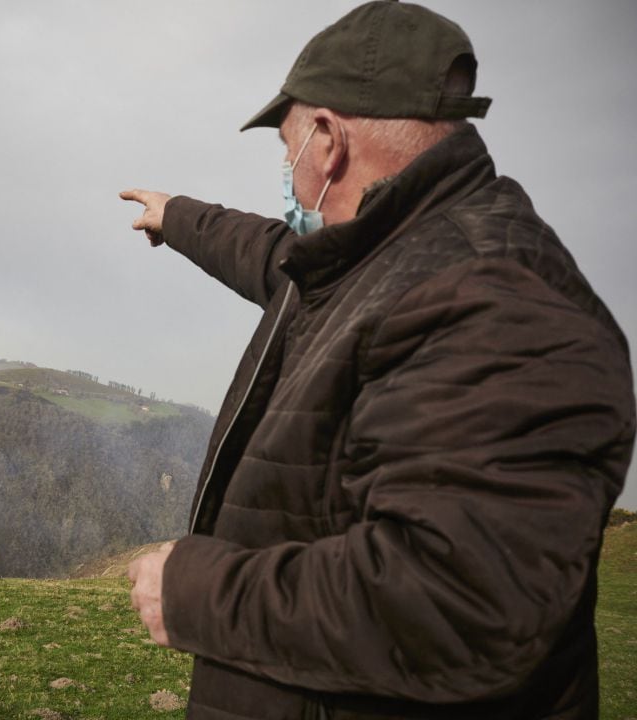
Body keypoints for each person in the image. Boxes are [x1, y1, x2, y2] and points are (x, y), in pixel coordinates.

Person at [121, 2, 635, 719]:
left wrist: (198, 594)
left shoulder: (495, 294)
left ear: (328, 141)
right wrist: (175, 216)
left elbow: (459, 601)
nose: (286, 174)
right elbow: (273, 256)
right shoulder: (385, 255)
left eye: (288, 148)